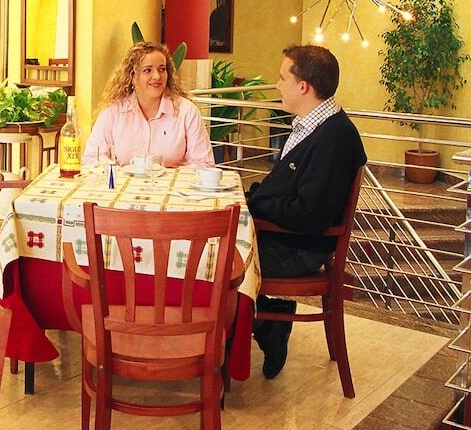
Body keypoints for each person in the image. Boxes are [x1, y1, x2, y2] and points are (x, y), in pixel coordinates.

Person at [246, 44, 367, 380]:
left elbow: (310, 215)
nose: (276, 85)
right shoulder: (311, 126)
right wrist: (253, 200)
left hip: (300, 247)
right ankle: (261, 319)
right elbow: (284, 189)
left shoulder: (334, 137)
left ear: (303, 86)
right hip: (285, 235)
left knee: (212, 264)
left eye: (282, 78)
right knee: (210, 250)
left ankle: (261, 326)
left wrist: (257, 204)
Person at [82, 41, 214, 168]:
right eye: (147, 70)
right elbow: (92, 158)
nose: (157, 76)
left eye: (162, 69)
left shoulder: (187, 112)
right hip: (125, 183)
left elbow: (204, 164)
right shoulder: (113, 112)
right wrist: (118, 172)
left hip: (173, 184)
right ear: (133, 76)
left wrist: (165, 175)